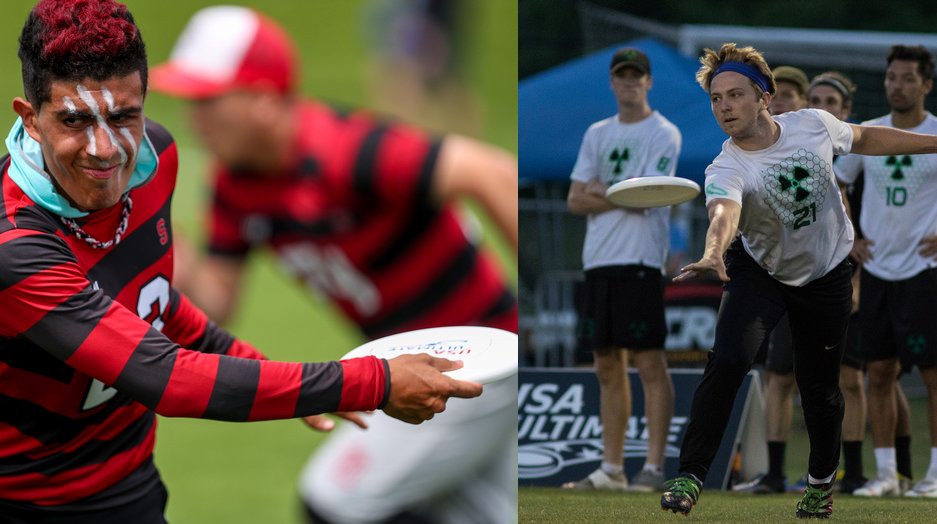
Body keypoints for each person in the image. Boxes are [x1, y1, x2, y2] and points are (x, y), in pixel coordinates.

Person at [0, 1, 484, 522]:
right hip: (28, 503)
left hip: (130, 482)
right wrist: (376, 382)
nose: (103, 149)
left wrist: (273, 372)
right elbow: (165, 378)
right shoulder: (14, 247)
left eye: (123, 116)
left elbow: (154, 302)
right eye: (74, 120)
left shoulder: (155, 159)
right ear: (30, 117)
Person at [149, 6, 518, 523]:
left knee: (333, 502)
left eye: (210, 100)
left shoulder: (346, 149)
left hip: (485, 357)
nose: (195, 119)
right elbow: (218, 303)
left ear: (262, 99)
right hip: (413, 368)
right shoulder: (235, 186)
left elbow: (492, 174)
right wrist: (175, 263)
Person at [659, 42, 937, 519]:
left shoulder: (812, 124)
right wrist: (711, 251)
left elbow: (867, 140)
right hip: (760, 271)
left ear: (765, 96)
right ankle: (690, 474)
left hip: (827, 273)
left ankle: (819, 484)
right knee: (728, 359)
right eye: (716, 98)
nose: (724, 106)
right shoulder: (726, 166)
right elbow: (723, 213)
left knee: (821, 391)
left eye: (735, 94)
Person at [563, 47, 679, 492]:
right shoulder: (597, 133)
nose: (629, 83)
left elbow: (648, 196)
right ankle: (611, 468)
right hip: (598, 261)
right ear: (612, 82)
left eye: (637, 77)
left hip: (640, 260)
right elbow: (574, 199)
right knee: (606, 364)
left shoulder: (663, 132)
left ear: (648, 82)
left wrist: (603, 191)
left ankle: (652, 466)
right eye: (622, 77)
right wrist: (618, 193)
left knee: (649, 361)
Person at [834, 44, 937, 499]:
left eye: (907, 78)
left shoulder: (936, 133)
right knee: (877, 373)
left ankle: (934, 475)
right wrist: (851, 234)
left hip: (925, 269)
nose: (897, 85)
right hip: (876, 269)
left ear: (926, 85)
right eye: (891, 76)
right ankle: (887, 475)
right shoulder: (869, 133)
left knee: (933, 376)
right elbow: (836, 181)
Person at [810, 70, 916, 495]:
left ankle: (893, 470)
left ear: (846, 114)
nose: (820, 108)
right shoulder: (801, 159)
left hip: (875, 274)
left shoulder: (863, 144)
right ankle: (888, 472)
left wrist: (854, 265)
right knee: (876, 371)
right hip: (821, 276)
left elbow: (848, 211)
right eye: (813, 100)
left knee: (876, 373)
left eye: (830, 102)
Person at [744, 64, 811, 495]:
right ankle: (773, 472)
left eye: (789, 95)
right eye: (776, 93)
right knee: (779, 376)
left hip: (825, 278)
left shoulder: (817, 147)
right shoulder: (746, 155)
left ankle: (838, 472)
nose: (782, 101)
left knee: (836, 380)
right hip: (779, 278)